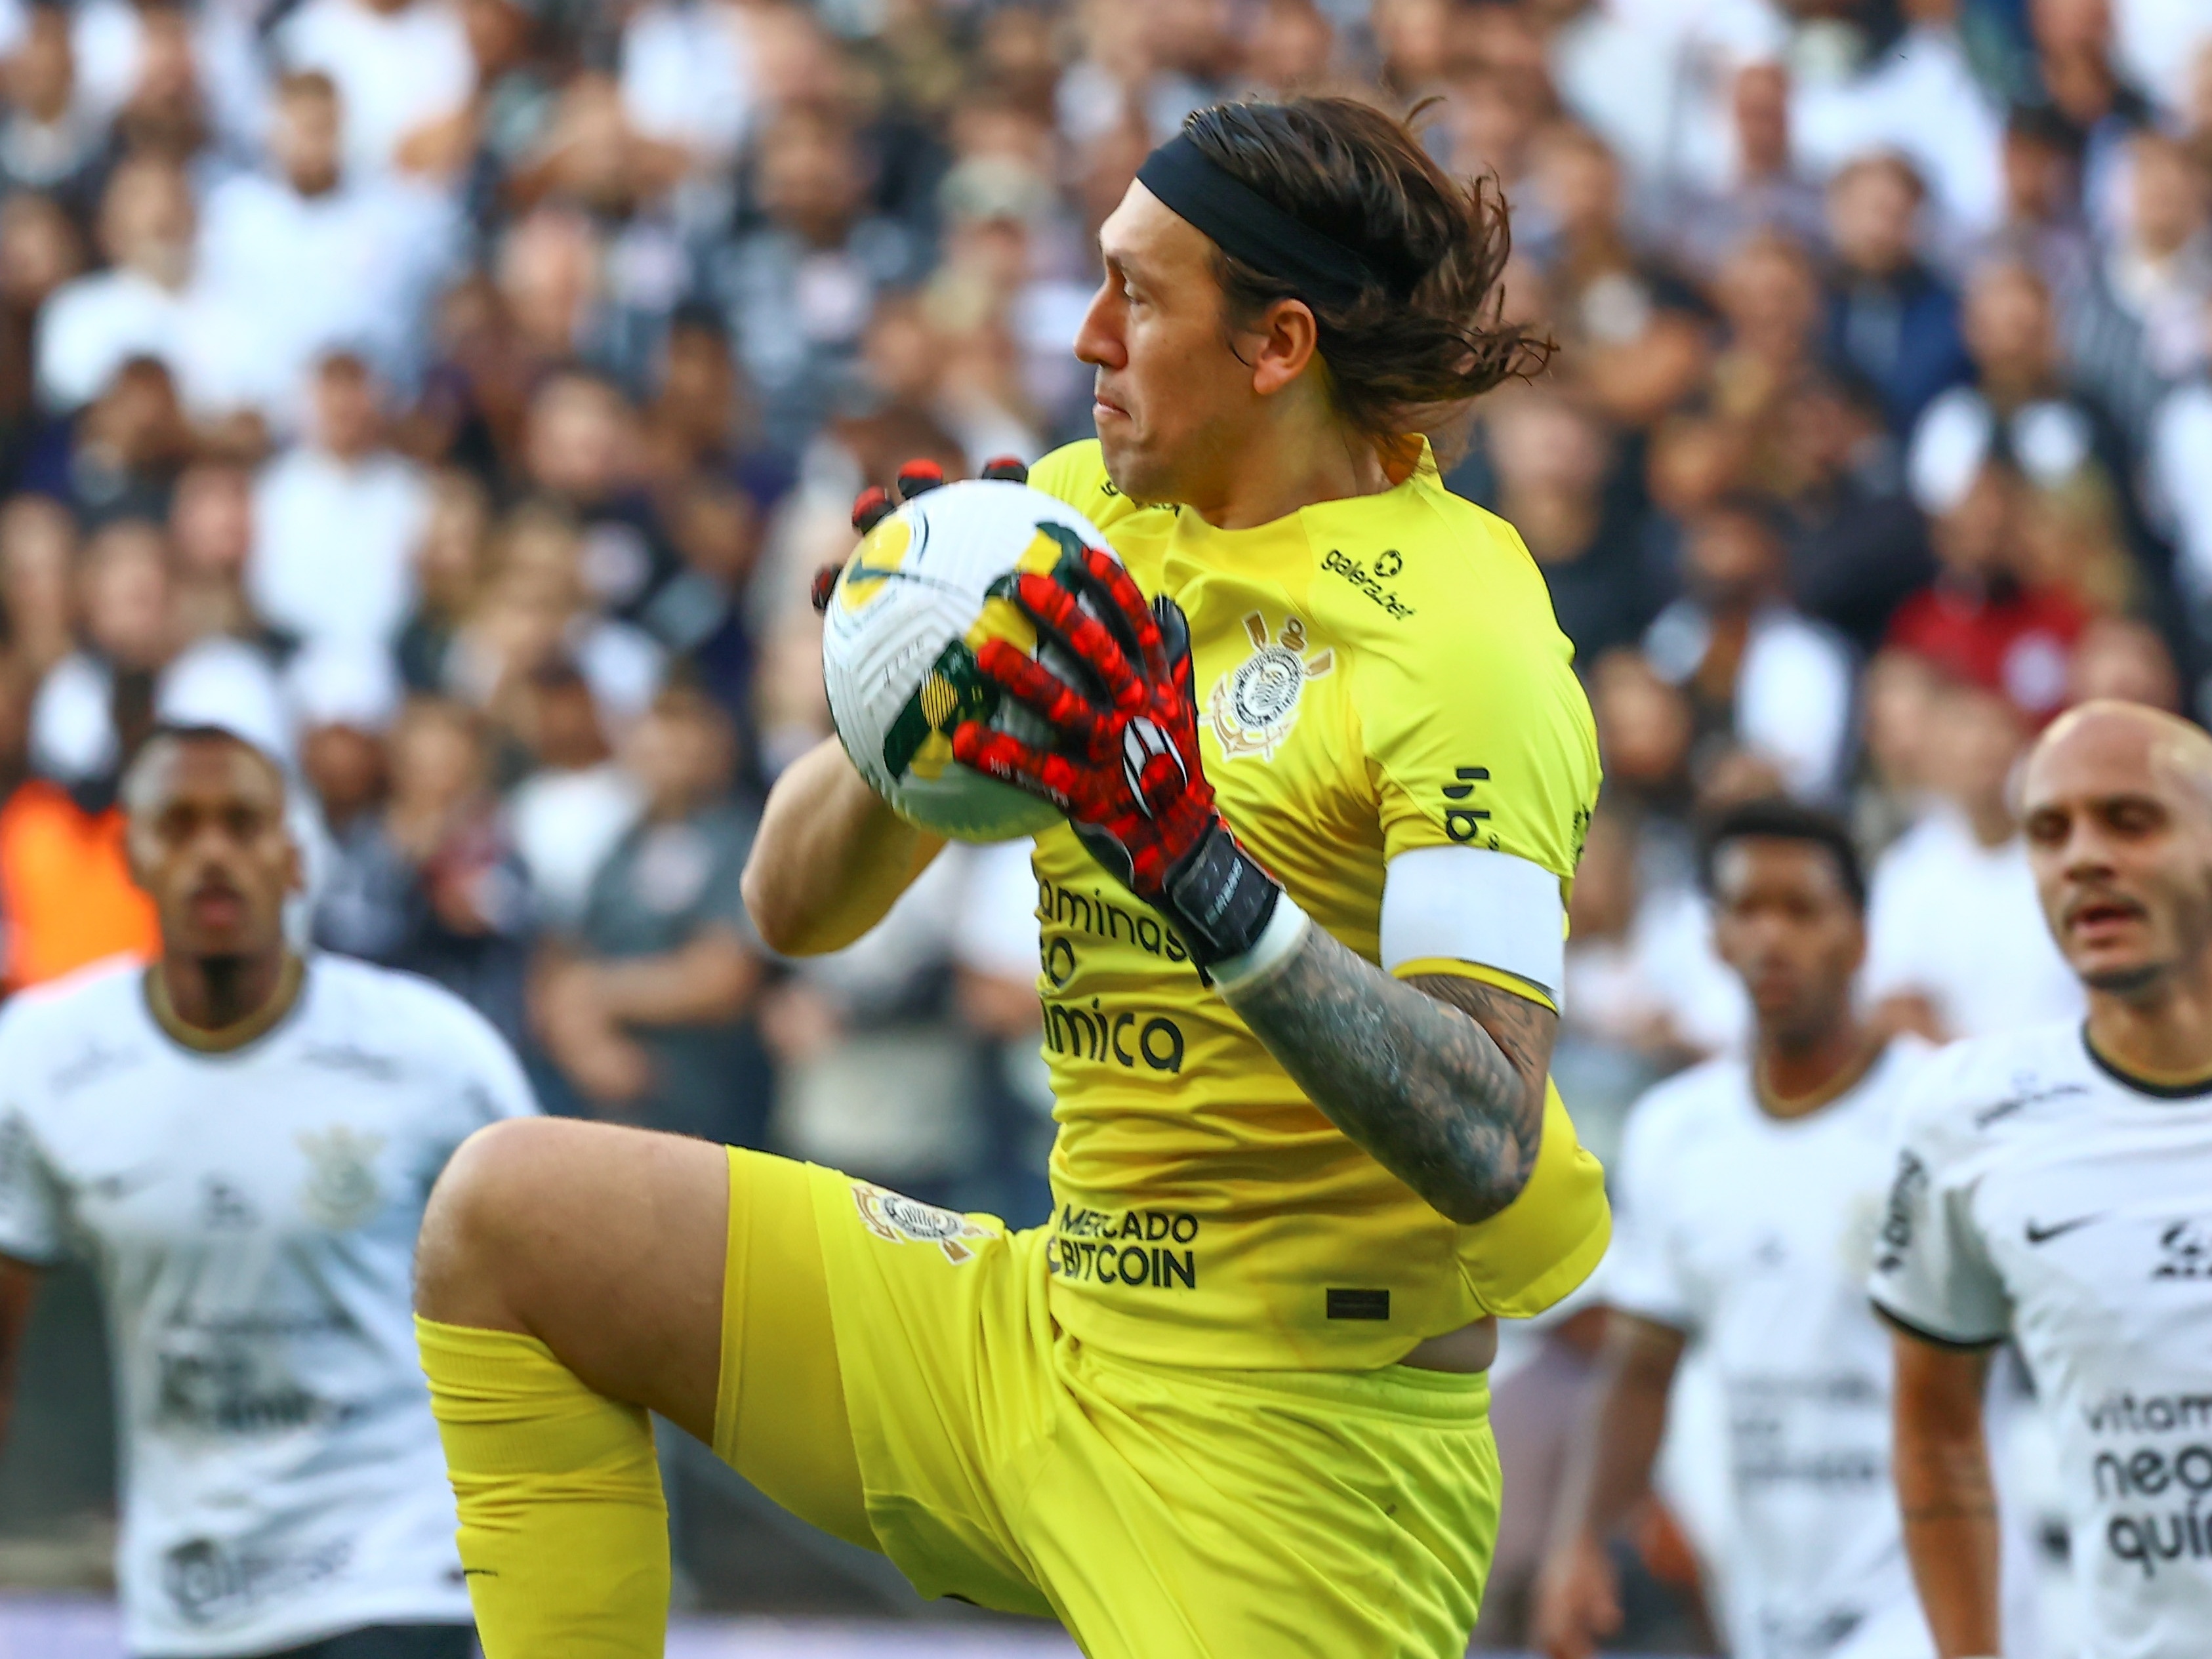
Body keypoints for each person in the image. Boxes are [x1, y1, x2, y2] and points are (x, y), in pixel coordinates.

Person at [413, 94, 1612, 1658]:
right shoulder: (1076, 516)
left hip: (1299, 1451)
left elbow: (1486, 1130)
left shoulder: (1468, 643)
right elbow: (790, 909)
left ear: (1277, 345)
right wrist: (898, 699)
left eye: (1138, 293)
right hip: (1038, 1335)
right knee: (509, 1219)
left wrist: (1196, 867)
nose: (1087, 336)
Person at [0, 724, 537, 1658]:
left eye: (245, 824)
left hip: (402, 1574)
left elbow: (550, 1304)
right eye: (181, 823)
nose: (214, 851)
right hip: (187, 1599)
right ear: (134, 854)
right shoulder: (42, 1064)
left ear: (294, 860)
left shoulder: (434, 1055)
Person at [1534, 798, 1935, 1659]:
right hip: (1770, 1596)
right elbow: (1641, 1364)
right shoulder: (1676, 1132)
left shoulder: (1937, 1114)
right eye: (1746, 910)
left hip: (1928, 1601)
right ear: (1714, 937)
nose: (1771, 938)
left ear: (1859, 933)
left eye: (1802, 910)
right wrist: (1580, 1540)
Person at [1874, 700, 2212, 1657]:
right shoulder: (1969, 1115)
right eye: (2049, 831)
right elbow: (1935, 1428)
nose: (2082, 858)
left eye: (2130, 820)